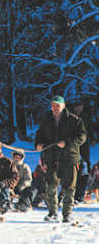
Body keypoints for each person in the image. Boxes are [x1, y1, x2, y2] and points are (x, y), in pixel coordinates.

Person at [35, 95, 87, 223]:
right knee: (51, 185)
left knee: (69, 187)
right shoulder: (46, 120)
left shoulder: (74, 120)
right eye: (53, 105)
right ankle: (52, 212)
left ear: (63, 106)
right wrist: (38, 144)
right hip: (51, 157)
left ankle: (67, 214)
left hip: (69, 157)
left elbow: (82, 136)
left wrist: (67, 143)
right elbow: (39, 135)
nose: (55, 108)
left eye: (57, 105)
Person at [0, 144, 19, 214]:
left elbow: (15, 177)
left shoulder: (7, 161)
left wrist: (5, 183)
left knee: (3, 190)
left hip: (4, 186)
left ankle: (3, 205)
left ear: (1, 149)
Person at [71, 99, 95, 170]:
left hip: (84, 141)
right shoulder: (69, 116)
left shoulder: (86, 116)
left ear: (83, 107)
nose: (78, 108)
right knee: (73, 160)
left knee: (85, 159)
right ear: (74, 107)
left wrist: (92, 138)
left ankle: (87, 175)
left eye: (80, 106)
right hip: (73, 142)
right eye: (76, 106)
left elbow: (90, 128)